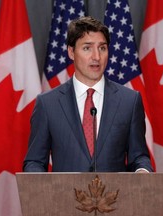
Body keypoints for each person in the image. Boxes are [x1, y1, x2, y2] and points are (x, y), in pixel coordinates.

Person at [23, 16, 153, 173]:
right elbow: (34, 161)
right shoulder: (48, 103)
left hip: (114, 197)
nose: (96, 57)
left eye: (102, 48)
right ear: (71, 52)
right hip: (64, 196)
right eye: (87, 48)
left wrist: (142, 172)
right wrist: (40, 184)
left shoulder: (129, 101)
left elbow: (139, 157)